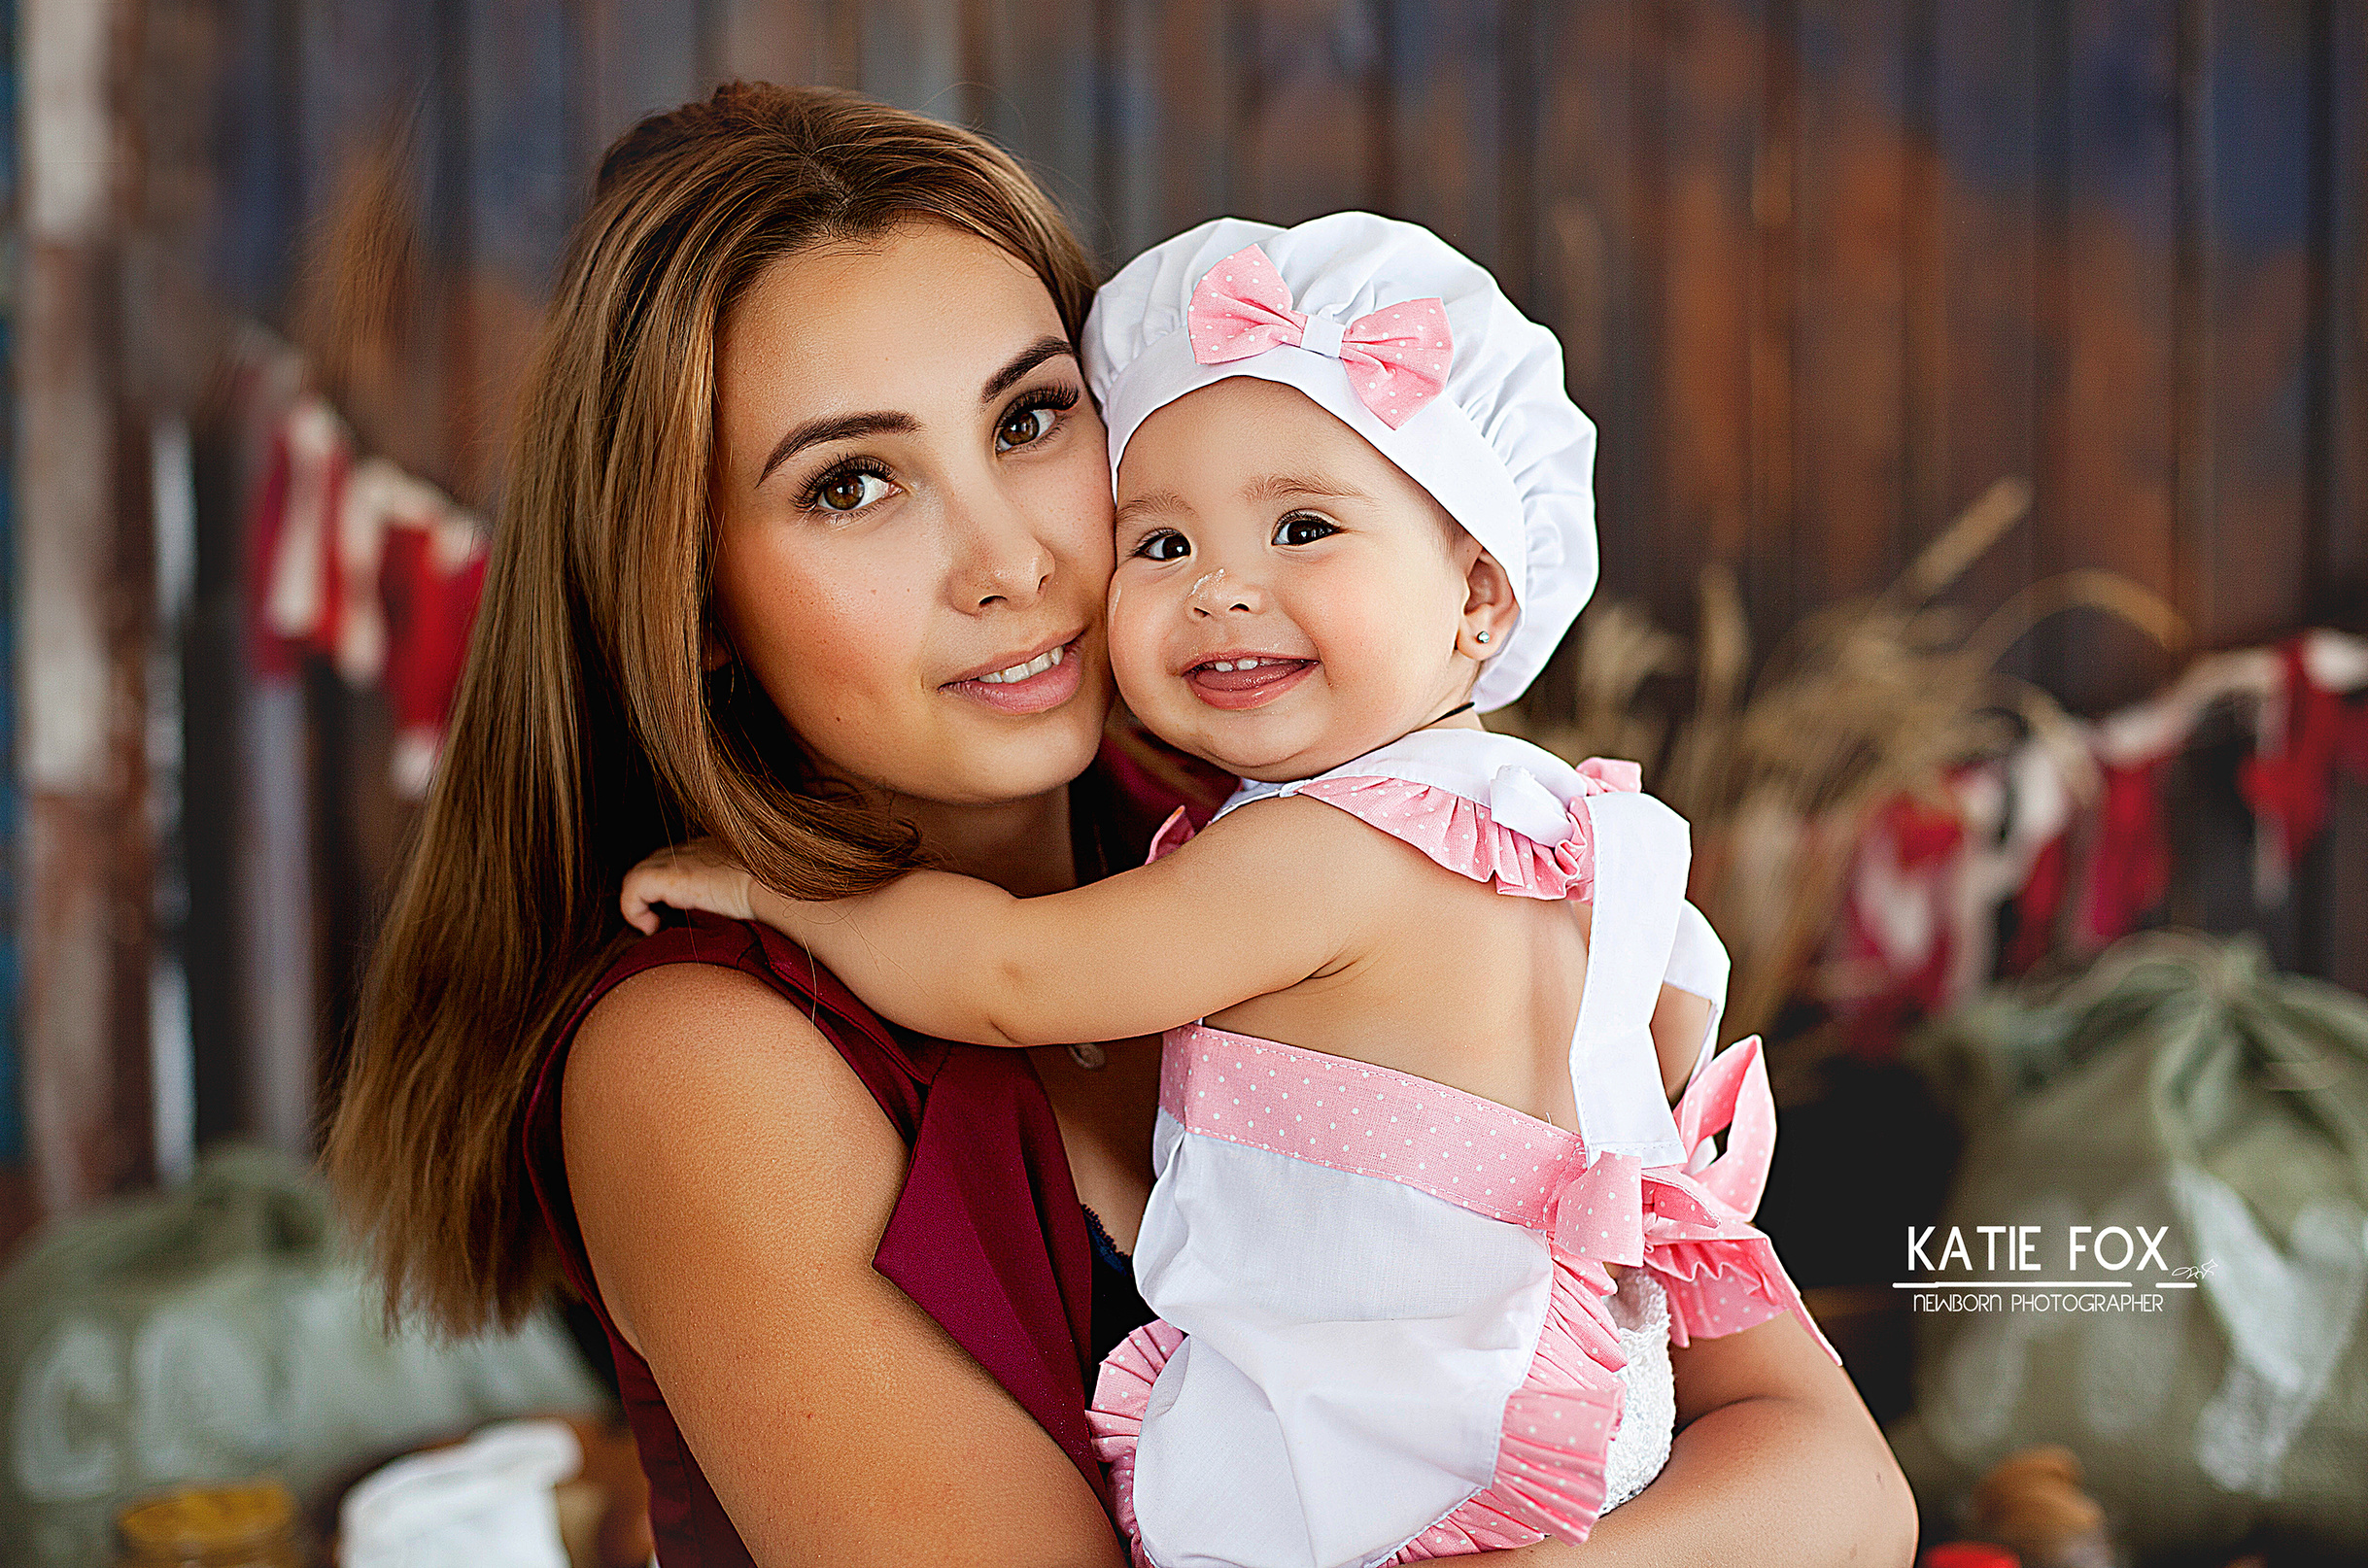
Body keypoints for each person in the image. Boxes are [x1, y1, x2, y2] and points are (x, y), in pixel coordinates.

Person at [325, 83, 1917, 1566]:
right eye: (851, 485)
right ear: (694, 600)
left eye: (1029, 420)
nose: (1011, 563)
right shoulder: (708, 1060)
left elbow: (1840, 1485)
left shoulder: (1300, 842)